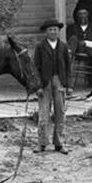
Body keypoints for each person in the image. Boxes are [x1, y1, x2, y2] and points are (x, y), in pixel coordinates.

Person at [34, 20, 71, 154]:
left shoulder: (63, 47)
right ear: (46, 32)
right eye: (50, 30)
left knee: (60, 112)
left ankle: (59, 143)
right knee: (44, 113)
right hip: (45, 83)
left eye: (55, 29)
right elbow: (36, 68)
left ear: (58, 31)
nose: (53, 32)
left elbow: (68, 68)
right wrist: (37, 86)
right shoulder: (40, 47)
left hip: (59, 81)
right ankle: (42, 143)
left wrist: (69, 85)